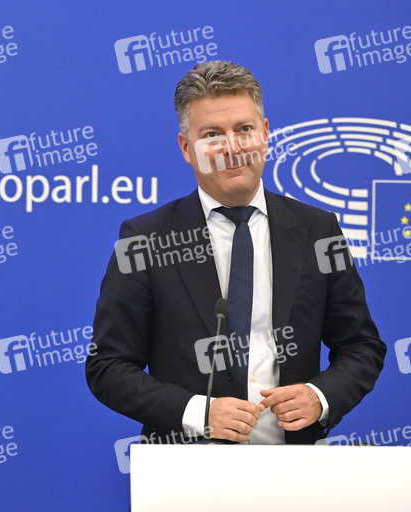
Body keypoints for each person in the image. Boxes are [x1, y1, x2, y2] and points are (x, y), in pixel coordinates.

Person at [86, 61, 385, 451]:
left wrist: (319, 397)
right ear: (186, 148)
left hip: (295, 473)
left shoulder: (318, 229)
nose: (232, 147)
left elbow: (362, 346)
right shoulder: (146, 239)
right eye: (212, 134)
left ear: (265, 133)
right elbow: (107, 366)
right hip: (186, 473)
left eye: (244, 129)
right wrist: (200, 413)